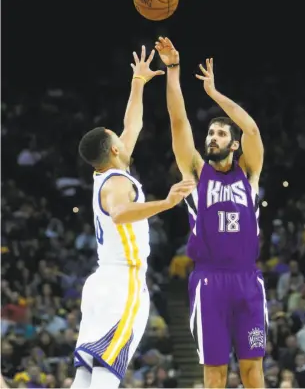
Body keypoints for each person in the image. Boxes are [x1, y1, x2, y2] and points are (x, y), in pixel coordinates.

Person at [72, 45, 195, 389]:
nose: (122, 135)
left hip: (103, 284)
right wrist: (167, 202)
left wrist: (138, 81)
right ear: (114, 148)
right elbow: (122, 213)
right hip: (121, 283)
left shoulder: (107, 171)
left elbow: (133, 122)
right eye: (116, 136)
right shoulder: (115, 184)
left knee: (87, 372)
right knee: (106, 375)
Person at [155, 37, 265, 388]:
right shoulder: (196, 173)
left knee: (252, 371)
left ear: (234, 145)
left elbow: (251, 129)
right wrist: (173, 71)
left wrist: (215, 94)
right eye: (210, 133)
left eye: (220, 133)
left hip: (248, 281)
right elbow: (178, 121)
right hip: (209, 282)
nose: (212, 137)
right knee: (215, 374)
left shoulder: (249, 175)